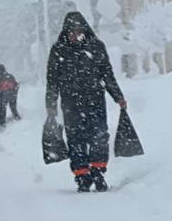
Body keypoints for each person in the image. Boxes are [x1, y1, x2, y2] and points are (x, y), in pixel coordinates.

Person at [46, 11, 126, 192]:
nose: (75, 35)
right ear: (66, 32)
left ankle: (98, 171)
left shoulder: (96, 47)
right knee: (76, 139)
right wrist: (50, 104)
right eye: (71, 32)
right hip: (70, 104)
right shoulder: (58, 50)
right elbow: (52, 81)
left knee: (99, 136)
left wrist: (118, 97)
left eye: (79, 31)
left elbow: (107, 75)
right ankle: (82, 175)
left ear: (85, 30)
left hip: (95, 100)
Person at [0, 64, 21, 129]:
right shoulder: (10, 76)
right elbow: (16, 85)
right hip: (12, 95)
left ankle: (2, 124)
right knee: (13, 108)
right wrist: (14, 93)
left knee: (2, 110)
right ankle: (18, 119)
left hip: (4, 96)